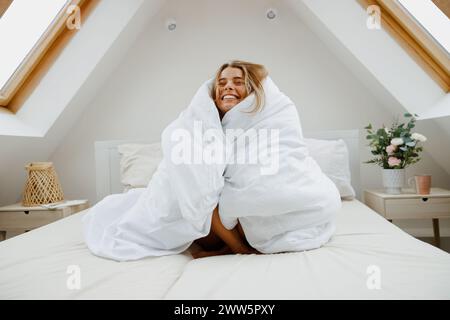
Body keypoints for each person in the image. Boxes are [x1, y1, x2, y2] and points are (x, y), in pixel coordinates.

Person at [192, 60, 268, 258]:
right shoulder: (204, 127)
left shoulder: (259, 126)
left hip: (243, 218)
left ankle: (231, 248)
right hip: (211, 227)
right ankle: (237, 249)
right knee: (205, 185)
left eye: (238, 81)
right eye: (222, 82)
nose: (228, 86)